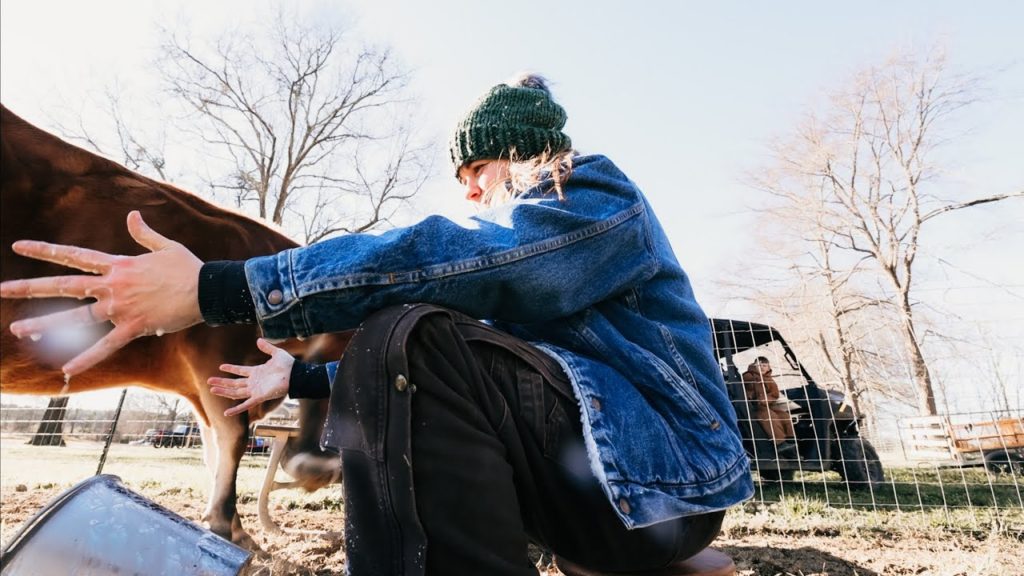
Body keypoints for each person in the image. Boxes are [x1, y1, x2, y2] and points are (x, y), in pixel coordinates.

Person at [2, 74, 753, 576]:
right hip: (601, 480)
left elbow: (450, 265)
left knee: (406, 333)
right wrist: (299, 375)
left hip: (663, 483)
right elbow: (491, 370)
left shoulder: (589, 196)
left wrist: (218, 288)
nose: (465, 186)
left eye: (474, 169)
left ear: (517, 154)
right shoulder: (529, 255)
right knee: (396, 343)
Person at [741, 357, 797, 457]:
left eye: (764, 365)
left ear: (768, 367)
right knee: (768, 415)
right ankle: (780, 443)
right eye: (759, 365)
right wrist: (758, 397)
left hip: (767, 405)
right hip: (753, 407)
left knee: (784, 415)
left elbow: (775, 394)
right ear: (754, 366)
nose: (762, 367)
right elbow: (750, 390)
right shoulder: (748, 376)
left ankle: (790, 440)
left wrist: (767, 399)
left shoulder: (769, 380)